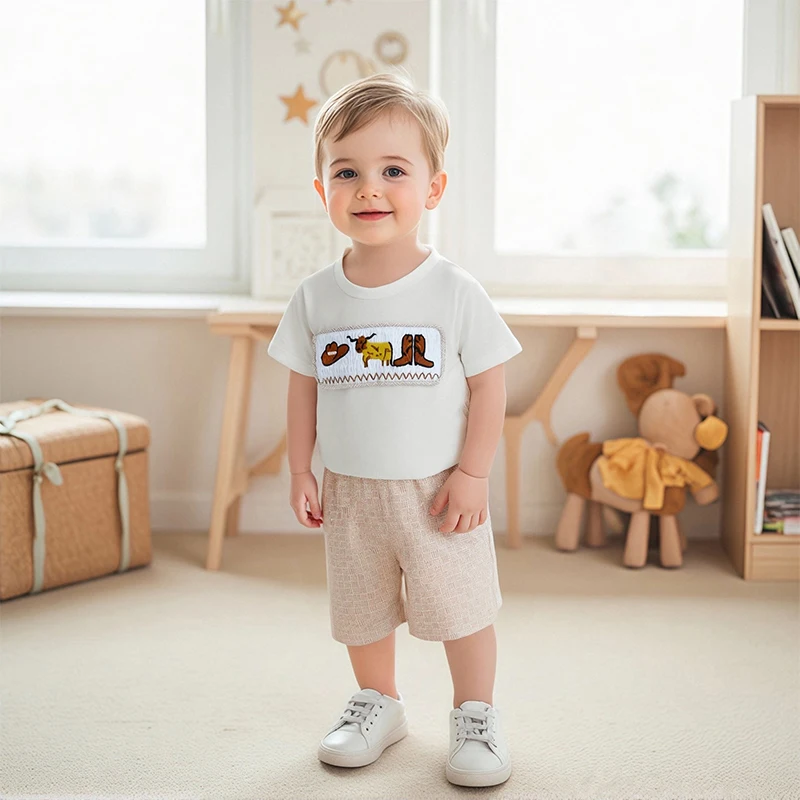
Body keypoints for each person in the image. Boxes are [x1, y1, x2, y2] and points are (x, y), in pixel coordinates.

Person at [267, 72, 522, 788]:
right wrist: (300, 468)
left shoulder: (454, 291)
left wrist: (473, 474)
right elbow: (303, 386)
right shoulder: (315, 296)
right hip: (351, 490)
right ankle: (379, 702)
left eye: (393, 171)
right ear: (322, 190)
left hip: (440, 492)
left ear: (433, 188)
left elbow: (489, 386)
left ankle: (476, 713)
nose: (369, 189)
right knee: (362, 610)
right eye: (347, 172)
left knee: (461, 609)